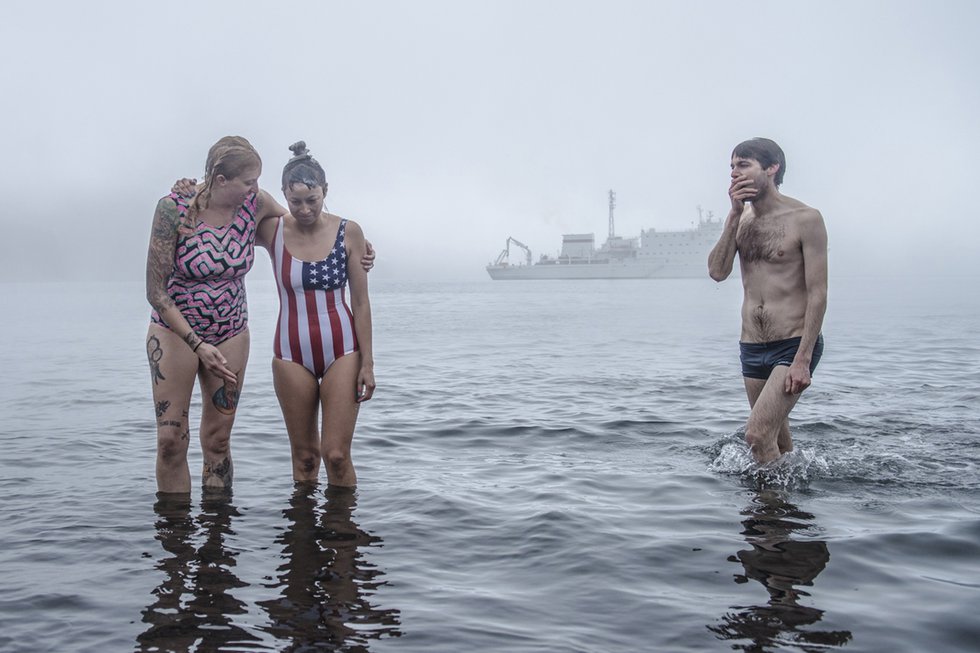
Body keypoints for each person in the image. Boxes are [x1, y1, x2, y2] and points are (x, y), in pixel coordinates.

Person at [147, 136, 373, 494]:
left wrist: (358, 248)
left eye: (257, 181)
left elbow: (311, 230)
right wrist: (197, 343)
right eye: (250, 181)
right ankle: (176, 542)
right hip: (182, 333)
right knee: (172, 442)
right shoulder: (179, 209)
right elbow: (155, 292)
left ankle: (220, 536)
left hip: (235, 332)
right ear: (221, 180)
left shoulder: (254, 206)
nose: (256, 188)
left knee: (221, 441)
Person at [255, 141, 374, 487]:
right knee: (305, 459)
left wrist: (368, 363)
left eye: (312, 200)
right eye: (295, 202)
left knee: (335, 455)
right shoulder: (272, 230)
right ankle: (302, 539)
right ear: (284, 197)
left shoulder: (348, 231)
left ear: (326, 191)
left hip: (343, 352)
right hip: (291, 356)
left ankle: (344, 538)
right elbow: (233, 208)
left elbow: (362, 302)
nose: (304, 209)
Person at [707, 138, 828, 464]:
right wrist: (733, 215)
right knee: (777, 440)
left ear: (772, 168)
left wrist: (803, 358)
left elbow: (818, 293)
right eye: (731, 167)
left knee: (757, 435)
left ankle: (769, 511)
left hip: (792, 345)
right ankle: (787, 505)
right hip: (752, 346)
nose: (734, 174)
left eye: (743, 165)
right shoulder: (742, 220)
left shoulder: (806, 219)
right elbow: (717, 272)